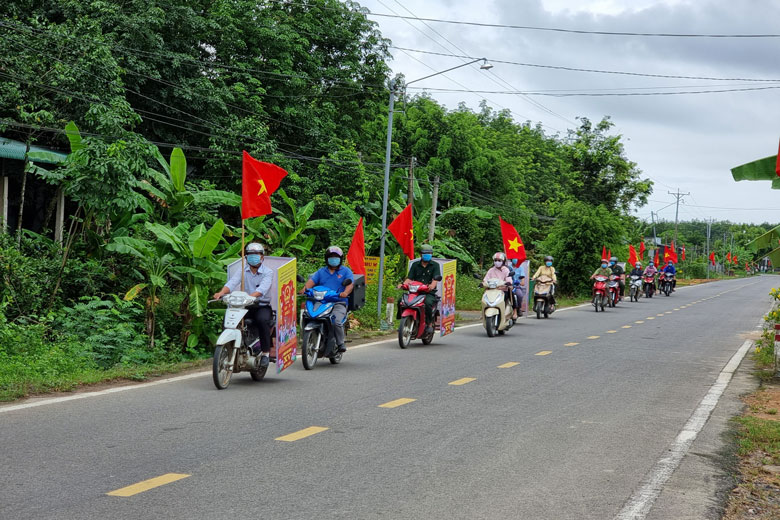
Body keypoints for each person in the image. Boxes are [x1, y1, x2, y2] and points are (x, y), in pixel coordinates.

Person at [212, 242, 274, 367]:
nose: (253, 257)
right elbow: (232, 283)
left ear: (262, 257)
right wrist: (221, 293)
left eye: (256, 254)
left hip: (260, 305)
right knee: (228, 319)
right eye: (250, 254)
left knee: (262, 320)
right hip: (244, 305)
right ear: (246, 257)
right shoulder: (242, 270)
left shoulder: (268, 272)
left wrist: (251, 296)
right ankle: (227, 347)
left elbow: (262, 289)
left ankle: (266, 353)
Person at [302, 246, 354, 353]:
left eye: (336, 257)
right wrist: (303, 290)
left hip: (338, 302)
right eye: (331, 257)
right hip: (321, 301)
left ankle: (340, 343)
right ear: (326, 258)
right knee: (309, 315)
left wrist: (345, 293)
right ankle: (307, 338)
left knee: (336, 321)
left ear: (341, 259)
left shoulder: (346, 271)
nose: (333, 259)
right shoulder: (321, 272)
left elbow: (350, 285)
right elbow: (310, 283)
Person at [399, 244, 441, 335]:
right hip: (415, 291)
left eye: (429, 253)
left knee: (428, 303)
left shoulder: (435, 265)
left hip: (428, 292)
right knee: (401, 300)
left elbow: (435, 279)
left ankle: (429, 324)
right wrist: (403, 284)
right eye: (425, 253)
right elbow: (409, 278)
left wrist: (432, 286)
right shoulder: (415, 265)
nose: (427, 255)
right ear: (421, 254)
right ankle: (401, 321)